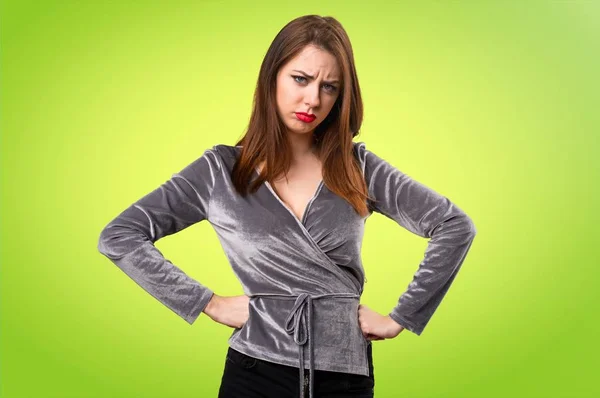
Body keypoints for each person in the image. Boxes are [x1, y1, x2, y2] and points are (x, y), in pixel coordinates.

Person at [97, 14, 477, 398]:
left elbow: (453, 225)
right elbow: (120, 236)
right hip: (253, 372)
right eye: (301, 79)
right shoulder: (219, 171)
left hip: (344, 376)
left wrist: (402, 317)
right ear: (272, 78)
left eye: (329, 87)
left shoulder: (358, 167)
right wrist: (206, 302)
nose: (313, 99)